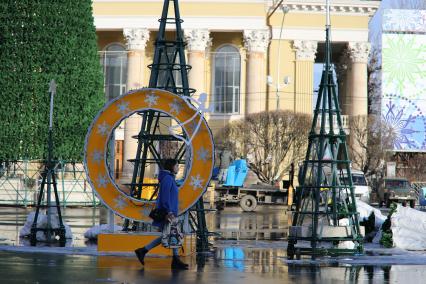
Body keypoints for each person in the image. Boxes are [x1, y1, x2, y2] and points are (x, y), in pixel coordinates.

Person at [134, 159, 189, 270]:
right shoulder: (168, 179)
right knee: (170, 234)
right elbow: (164, 197)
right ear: (171, 166)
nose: (178, 167)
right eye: (177, 165)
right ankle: (144, 251)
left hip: (171, 212)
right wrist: (168, 212)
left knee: (171, 234)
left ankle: (174, 259)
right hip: (168, 213)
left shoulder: (169, 178)